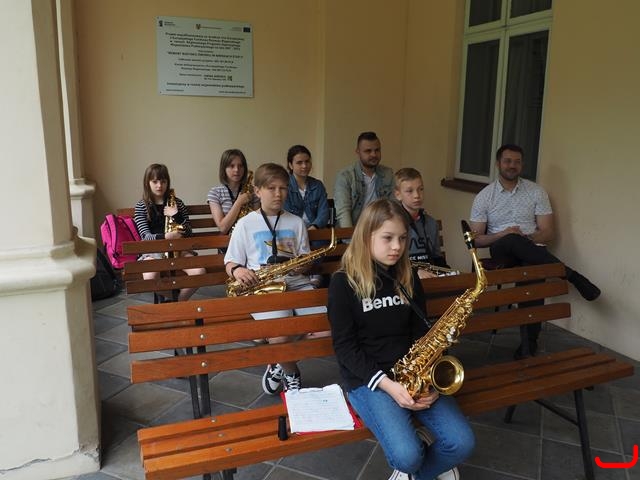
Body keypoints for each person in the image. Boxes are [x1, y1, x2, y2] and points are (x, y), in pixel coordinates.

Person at [328, 199, 473, 480]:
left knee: (462, 443)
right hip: (368, 380)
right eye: (388, 238)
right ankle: (414, 463)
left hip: (412, 373)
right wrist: (390, 387)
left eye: (403, 238)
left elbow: (420, 332)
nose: (397, 246)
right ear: (366, 236)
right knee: (406, 456)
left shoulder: (407, 277)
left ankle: (416, 474)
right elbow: (345, 348)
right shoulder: (343, 283)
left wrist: (430, 382)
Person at [470, 144, 601, 358]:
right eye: (507, 161)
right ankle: (572, 276)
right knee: (512, 239)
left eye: (517, 162)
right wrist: (504, 234)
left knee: (532, 268)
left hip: (531, 249)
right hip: (502, 251)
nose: (512, 165)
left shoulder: (536, 192)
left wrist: (527, 239)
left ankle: (528, 344)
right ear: (498, 164)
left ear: (522, 165)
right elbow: (477, 240)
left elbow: (548, 233)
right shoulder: (484, 197)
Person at [224, 162, 327, 394]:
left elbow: (305, 259)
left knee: (325, 329)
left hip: (297, 283)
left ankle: (278, 362)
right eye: (271, 188)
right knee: (279, 334)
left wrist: (303, 266)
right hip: (263, 286)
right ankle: (291, 371)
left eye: (283, 188)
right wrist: (238, 271)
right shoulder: (245, 224)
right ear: (257, 190)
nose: (278, 194)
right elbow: (230, 261)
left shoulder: (296, 222)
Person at [134, 163, 206, 302]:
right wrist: (165, 236)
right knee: (149, 277)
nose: (159, 185)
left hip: (179, 250)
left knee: (200, 272)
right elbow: (145, 237)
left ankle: (178, 301)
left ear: (168, 182)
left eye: (163, 181)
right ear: (147, 183)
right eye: (155, 181)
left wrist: (176, 215)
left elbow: (189, 232)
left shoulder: (177, 203)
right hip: (153, 251)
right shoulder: (141, 206)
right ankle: (175, 300)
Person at [394, 168, 450, 279]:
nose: (417, 195)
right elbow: (390, 263)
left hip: (429, 278)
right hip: (403, 278)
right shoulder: (393, 224)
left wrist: (448, 274)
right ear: (398, 195)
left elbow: (437, 258)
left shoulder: (431, 223)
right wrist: (415, 273)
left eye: (420, 189)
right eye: (409, 191)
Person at [334, 131, 395, 227]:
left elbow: (394, 206)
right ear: (358, 152)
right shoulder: (345, 176)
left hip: (380, 228)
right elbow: (343, 212)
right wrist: (350, 235)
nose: (374, 154)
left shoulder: (388, 174)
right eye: (368, 151)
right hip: (354, 229)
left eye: (377, 150)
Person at [207, 149, 260, 234]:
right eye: (232, 166)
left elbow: (257, 222)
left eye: (240, 166)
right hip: (226, 240)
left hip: (249, 237)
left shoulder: (253, 191)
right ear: (224, 168)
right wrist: (239, 202)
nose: (236, 170)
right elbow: (223, 228)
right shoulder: (215, 193)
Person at [283, 144, 330, 230]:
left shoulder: (318, 185)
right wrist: (302, 232)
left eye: (307, 161)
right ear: (290, 165)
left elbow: (324, 213)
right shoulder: (284, 185)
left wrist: (315, 227)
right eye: (299, 163)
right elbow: (285, 214)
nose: (304, 166)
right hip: (292, 231)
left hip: (316, 231)